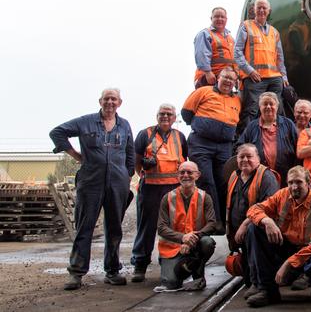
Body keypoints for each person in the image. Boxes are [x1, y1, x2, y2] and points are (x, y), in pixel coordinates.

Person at [50, 88, 135, 290]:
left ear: (120, 103)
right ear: (100, 101)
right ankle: (76, 273)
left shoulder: (124, 125)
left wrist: (126, 174)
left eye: (114, 99)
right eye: (107, 99)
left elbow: (130, 152)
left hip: (117, 183)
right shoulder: (85, 121)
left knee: (114, 228)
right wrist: (76, 155)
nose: (110, 102)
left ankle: (112, 271)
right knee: (84, 227)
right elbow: (57, 132)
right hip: (91, 182)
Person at [246, 166, 311, 307]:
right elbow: (254, 209)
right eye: (291, 182)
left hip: (310, 251)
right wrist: (267, 221)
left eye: (298, 182)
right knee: (254, 229)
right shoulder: (282, 195)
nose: (294, 187)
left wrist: (288, 264)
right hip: (286, 247)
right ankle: (268, 291)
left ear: (308, 183)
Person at [130, 104, 188, 282]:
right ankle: (140, 264)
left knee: (173, 228)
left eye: (169, 114)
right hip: (151, 188)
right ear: (157, 116)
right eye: (162, 113)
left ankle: (171, 263)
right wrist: (143, 173)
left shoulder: (180, 136)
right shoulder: (145, 134)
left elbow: (185, 160)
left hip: (173, 189)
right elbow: (136, 159)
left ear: (174, 117)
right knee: (146, 228)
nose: (165, 116)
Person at [182, 67, 241, 229]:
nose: (228, 81)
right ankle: (212, 221)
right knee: (206, 180)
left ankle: (224, 220)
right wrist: (203, 127)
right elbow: (186, 113)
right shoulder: (204, 92)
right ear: (217, 78)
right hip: (202, 144)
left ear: (235, 82)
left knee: (224, 182)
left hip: (224, 146)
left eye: (232, 79)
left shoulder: (237, 100)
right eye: (225, 77)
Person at [226, 144, 280, 294]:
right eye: (241, 156)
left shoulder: (266, 176)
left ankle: (260, 284)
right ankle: (252, 282)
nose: (245, 160)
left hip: (257, 230)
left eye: (249, 156)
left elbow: (267, 207)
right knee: (246, 274)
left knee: (257, 258)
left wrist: (244, 224)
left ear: (258, 158)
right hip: (240, 234)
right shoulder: (234, 176)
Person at [156, 161, 218, 292]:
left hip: (195, 245)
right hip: (172, 248)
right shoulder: (167, 198)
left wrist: (191, 240)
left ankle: (197, 274)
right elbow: (161, 227)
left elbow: (212, 224)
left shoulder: (205, 197)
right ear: (177, 175)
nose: (185, 175)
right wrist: (182, 238)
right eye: (182, 172)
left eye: (190, 172)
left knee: (207, 243)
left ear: (197, 175)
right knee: (171, 284)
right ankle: (178, 266)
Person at [234, 0, 289, 129]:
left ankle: (276, 138)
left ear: (269, 11)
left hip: (274, 77)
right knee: (251, 110)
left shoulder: (274, 32)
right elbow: (237, 52)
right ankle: (246, 143)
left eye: (264, 8)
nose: (262, 10)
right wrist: (249, 71)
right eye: (259, 7)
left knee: (277, 109)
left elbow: (280, 57)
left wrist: (284, 76)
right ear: (254, 9)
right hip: (254, 78)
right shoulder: (246, 26)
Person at [237, 92, 298, 184]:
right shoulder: (252, 126)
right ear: (260, 107)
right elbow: (240, 147)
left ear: (277, 106)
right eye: (265, 104)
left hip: (286, 176)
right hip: (259, 176)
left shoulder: (288, 124)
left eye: (271, 104)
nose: (268, 107)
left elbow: (297, 147)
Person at [193, 7, 235, 89]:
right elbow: (201, 54)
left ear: (226, 19)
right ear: (211, 18)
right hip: (209, 78)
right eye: (216, 16)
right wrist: (208, 72)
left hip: (225, 79)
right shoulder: (205, 34)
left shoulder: (230, 38)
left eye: (222, 17)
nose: (220, 19)